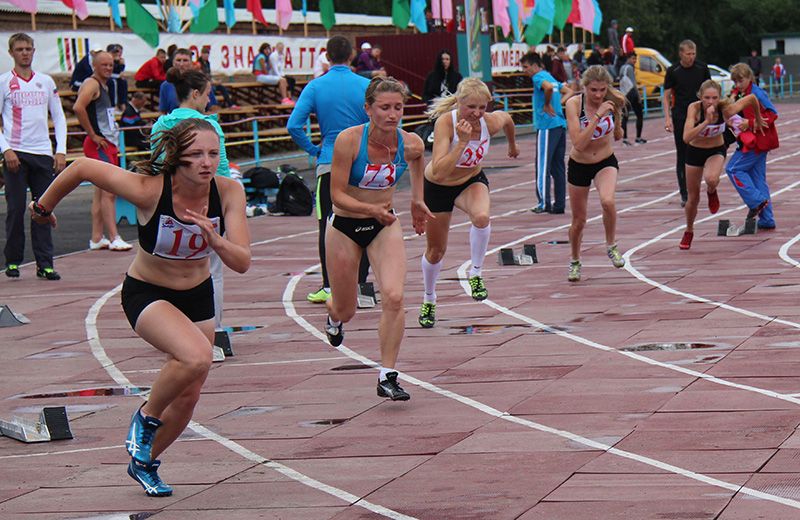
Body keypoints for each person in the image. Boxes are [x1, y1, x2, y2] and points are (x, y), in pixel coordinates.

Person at [29, 118, 251, 497]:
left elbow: (242, 261)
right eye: (197, 154)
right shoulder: (150, 189)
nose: (206, 162)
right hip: (148, 292)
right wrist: (43, 206)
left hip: (198, 296)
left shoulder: (228, 192)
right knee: (198, 355)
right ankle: (146, 418)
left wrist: (216, 241)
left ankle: (144, 461)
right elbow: (82, 167)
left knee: (189, 394)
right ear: (177, 155)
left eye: (213, 154)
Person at [324, 76, 432, 400]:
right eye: (384, 108)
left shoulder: (410, 142)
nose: (392, 114)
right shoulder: (348, 141)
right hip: (344, 227)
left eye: (398, 107)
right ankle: (333, 316)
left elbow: (418, 159)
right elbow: (336, 195)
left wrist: (417, 199)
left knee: (395, 296)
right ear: (368, 109)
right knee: (346, 310)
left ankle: (387, 375)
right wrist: (369, 209)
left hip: (384, 225)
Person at [417, 78, 518, 328]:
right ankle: (429, 299)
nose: (477, 113)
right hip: (438, 187)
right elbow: (439, 171)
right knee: (436, 251)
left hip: (470, 181)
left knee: (482, 217)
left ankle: (476, 273)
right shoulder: (446, 123)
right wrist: (461, 142)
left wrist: (512, 145)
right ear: (458, 103)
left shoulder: (489, 122)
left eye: (482, 107)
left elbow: (507, 119)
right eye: (471, 107)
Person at [287, 35, 372, 304]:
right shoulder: (366, 85)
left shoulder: (315, 86)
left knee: (327, 224)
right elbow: (381, 121)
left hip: (330, 161)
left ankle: (328, 285)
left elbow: (293, 125)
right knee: (366, 220)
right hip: (362, 162)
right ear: (352, 55)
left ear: (326, 55)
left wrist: (313, 149)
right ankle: (361, 286)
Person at [151, 68, 232, 335]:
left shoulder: (161, 125)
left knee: (168, 271)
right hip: (205, 203)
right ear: (195, 94)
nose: (209, 100)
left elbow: (155, 169)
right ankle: (214, 329)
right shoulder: (209, 127)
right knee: (212, 270)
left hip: (169, 205)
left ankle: (174, 329)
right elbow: (221, 171)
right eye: (208, 94)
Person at [1, 33, 67, 280]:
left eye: (28, 49)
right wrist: (6, 149)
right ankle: (13, 261)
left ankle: (45, 264)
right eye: (20, 49)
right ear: (11, 53)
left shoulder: (46, 81)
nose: (25, 53)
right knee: (16, 209)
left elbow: (58, 116)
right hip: (16, 153)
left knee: (43, 209)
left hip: (42, 153)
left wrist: (60, 150)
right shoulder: (4, 81)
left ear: (34, 51)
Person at [679, 79, 765, 250]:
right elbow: (686, 137)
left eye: (714, 98)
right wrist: (706, 122)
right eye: (707, 98)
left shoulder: (725, 109)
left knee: (711, 179)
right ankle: (689, 230)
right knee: (693, 198)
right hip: (694, 152)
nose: (710, 102)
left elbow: (752, 98)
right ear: (700, 97)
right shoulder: (694, 109)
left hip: (716, 150)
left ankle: (712, 190)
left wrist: (757, 118)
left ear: (719, 98)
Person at [563, 65, 626, 282]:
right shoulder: (574, 105)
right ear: (585, 87)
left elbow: (618, 130)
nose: (598, 95)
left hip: (605, 161)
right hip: (579, 164)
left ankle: (611, 245)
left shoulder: (613, 100)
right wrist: (598, 116)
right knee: (579, 220)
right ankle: (574, 260)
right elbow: (579, 143)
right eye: (593, 90)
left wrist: (618, 126)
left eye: (602, 90)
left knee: (608, 201)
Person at [73, 50, 133, 251]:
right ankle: (115, 237)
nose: (108, 68)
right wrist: (92, 135)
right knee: (109, 191)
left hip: (107, 143)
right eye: (104, 65)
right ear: (94, 66)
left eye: (110, 65)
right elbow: (78, 107)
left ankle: (97, 237)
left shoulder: (104, 85)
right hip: (99, 144)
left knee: (101, 193)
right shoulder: (92, 83)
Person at [726, 63, 778, 230]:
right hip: (753, 141)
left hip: (757, 141)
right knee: (758, 179)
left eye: (741, 80)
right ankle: (767, 219)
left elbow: (772, 114)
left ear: (749, 77)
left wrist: (750, 123)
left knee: (733, 169)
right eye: (735, 81)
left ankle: (757, 201)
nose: (738, 84)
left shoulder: (757, 93)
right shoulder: (738, 93)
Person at [521, 52, 572, 215]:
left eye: (526, 67)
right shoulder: (550, 77)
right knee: (558, 167)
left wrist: (548, 104)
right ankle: (559, 204)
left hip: (547, 125)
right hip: (559, 124)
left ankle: (544, 202)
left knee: (543, 165)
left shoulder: (538, 77)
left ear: (535, 65)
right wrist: (557, 105)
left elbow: (548, 88)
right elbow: (569, 91)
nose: (524, 71)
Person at [663, 40, 711, 207]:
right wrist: (667, 118)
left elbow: (710, 90)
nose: (691, 57)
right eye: (688, 54)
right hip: (681, 116)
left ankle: (703, 186)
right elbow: (666, 96)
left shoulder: (702, 68)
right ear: (681, 54)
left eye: (693, 54)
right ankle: (685, 194)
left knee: (703, 151)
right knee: (682, 154)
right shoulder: (673, 71)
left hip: (700, 116)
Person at [160, 49, 219, 114]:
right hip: (174, 120)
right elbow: (163, 112)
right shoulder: (166, 85)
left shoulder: (201, 82)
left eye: (185, 60)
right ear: (173, 62)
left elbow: (214, 109)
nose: (181, 64)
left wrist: (199, 118)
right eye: (178, 60)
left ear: (191, 63)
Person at [619, 52, 646, 145]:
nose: (635, 61)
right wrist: (638, 96)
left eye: (635, 59)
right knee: (639, 115)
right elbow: (633, 84)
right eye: (633, 59)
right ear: (628, 58)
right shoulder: (630, 68)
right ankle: (638, 138)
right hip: (632, 93)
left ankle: (625, 139)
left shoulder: (622, 68)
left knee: (625, 116)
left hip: (624, 93)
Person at [107, 44, 128, 111]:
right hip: (107, 78)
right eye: (114, 52)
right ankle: (114, 104)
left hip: (114, 77)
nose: (116, 54)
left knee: (123, 82)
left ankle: (122, 103)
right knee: (113, 83)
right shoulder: (106, 59)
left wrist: (121, 65)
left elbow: (119, 72)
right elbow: (109, 72)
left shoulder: (118, 60)